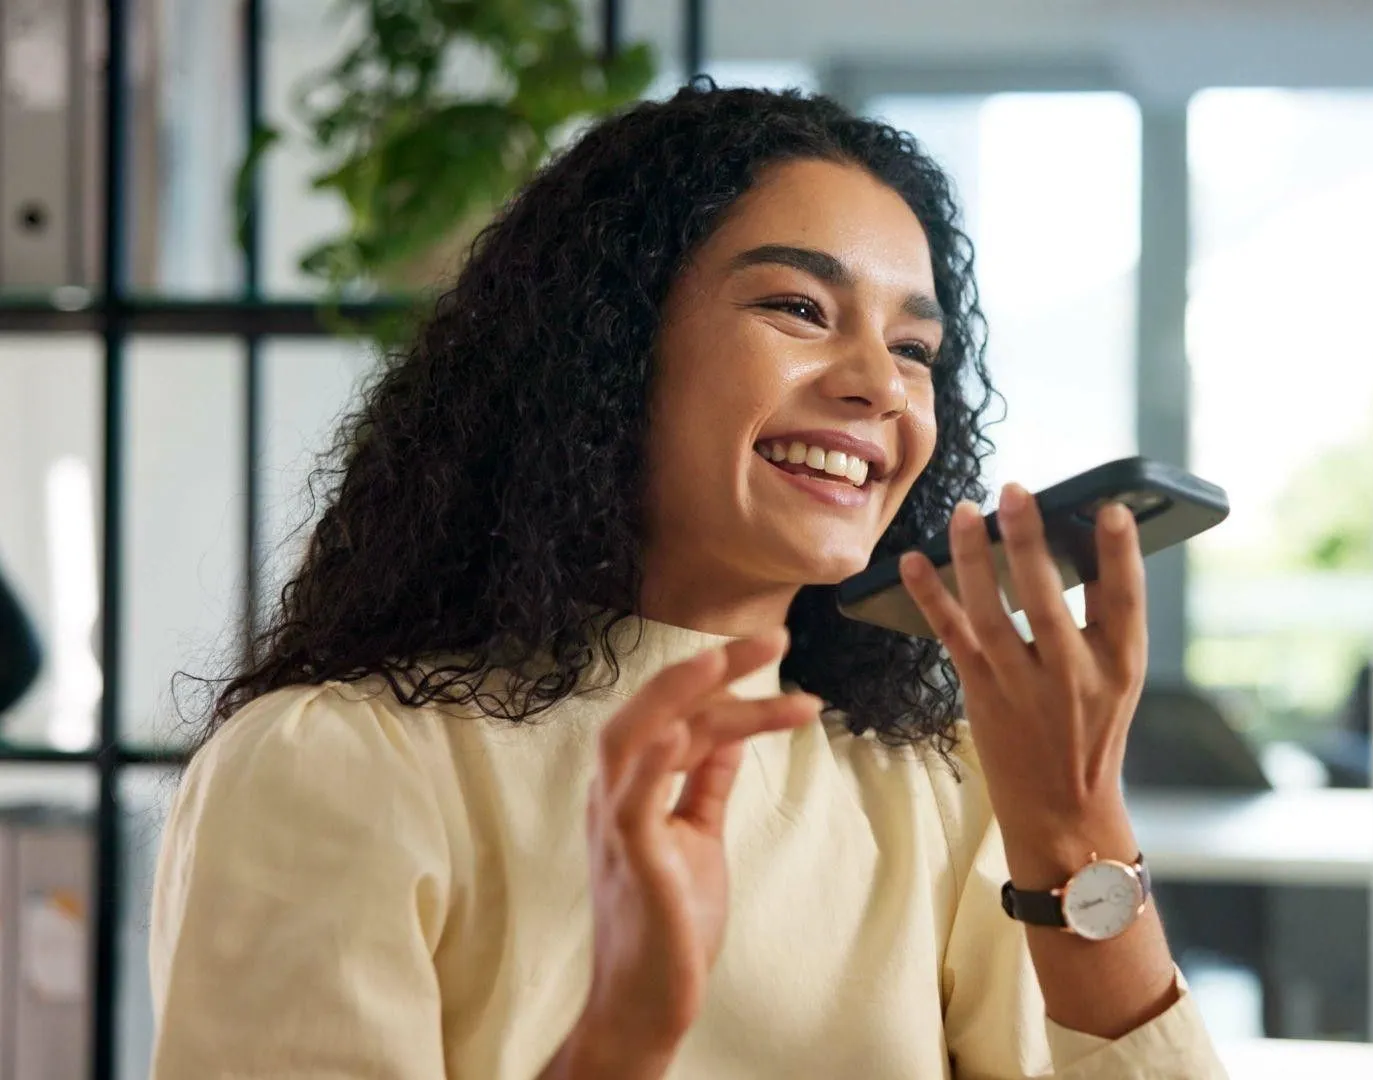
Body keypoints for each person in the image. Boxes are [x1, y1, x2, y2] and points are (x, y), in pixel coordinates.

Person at [148, 83, 1227, 1079]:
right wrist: (621, 1033)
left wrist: (1074, 830)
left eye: (913, 347)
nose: (876, 387)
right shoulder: (338, 765)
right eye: (799, 309)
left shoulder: (938, 790)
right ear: (606, 343)